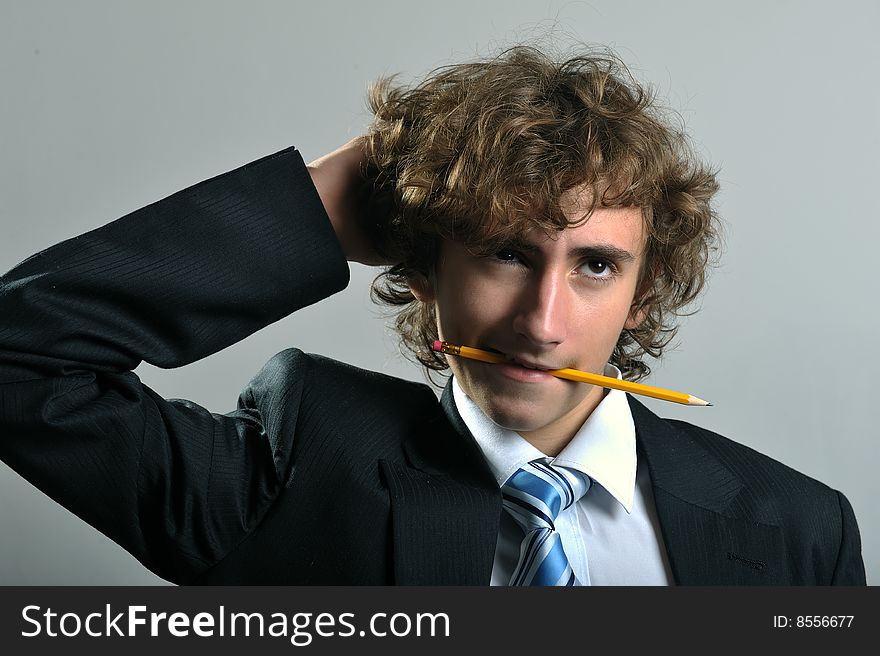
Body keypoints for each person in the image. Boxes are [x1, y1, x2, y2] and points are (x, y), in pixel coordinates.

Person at [0, 46, 865, 585]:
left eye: (595, 265)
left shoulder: (799, 531)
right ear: (422, 270)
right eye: (506, 253)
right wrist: (323, 206)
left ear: (643, 296)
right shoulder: (292, 473)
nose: (542, 321)